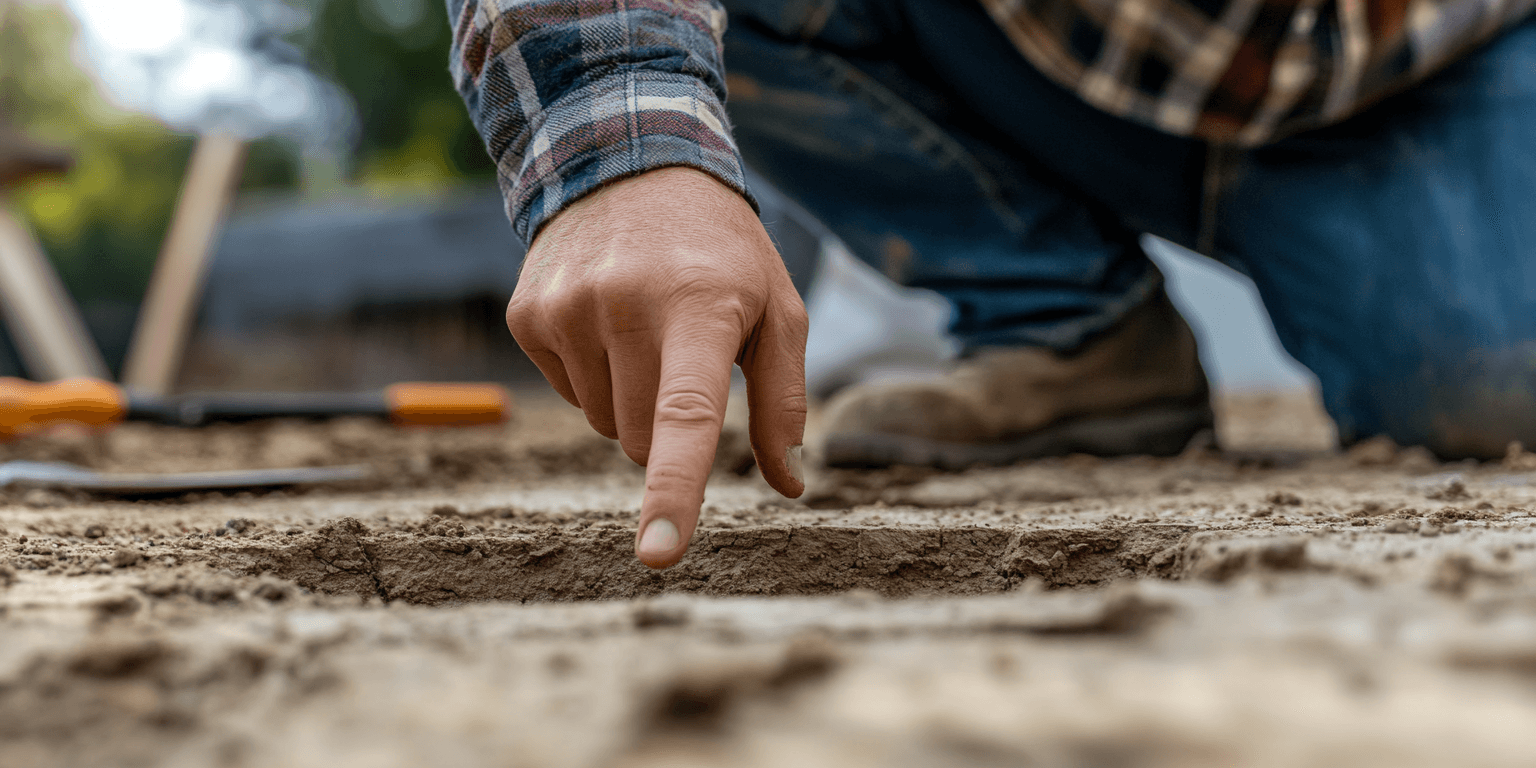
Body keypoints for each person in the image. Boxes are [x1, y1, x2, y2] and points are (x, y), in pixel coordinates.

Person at [446, 0, 1536, 568]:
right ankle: (1070, 330)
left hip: (1426, 65)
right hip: (1020, 54)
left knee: (1484, 398)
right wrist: (623, 138)